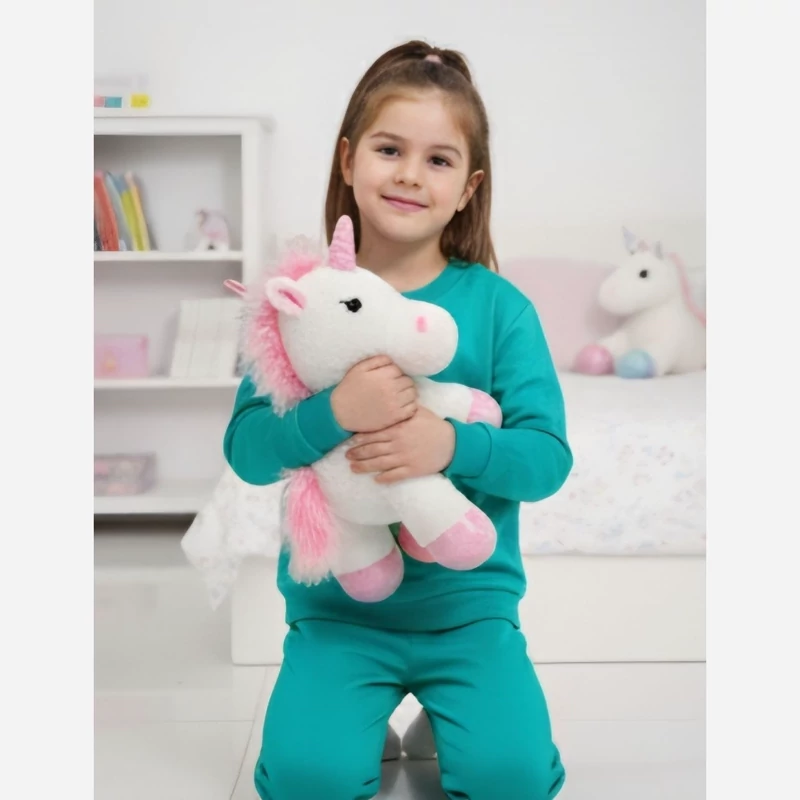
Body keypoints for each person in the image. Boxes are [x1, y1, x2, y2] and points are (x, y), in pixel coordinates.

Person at [224, 39, 573, 800]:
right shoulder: (299, 304)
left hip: (470, 615)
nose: (411, 173)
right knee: (308, 782)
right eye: (390, 150)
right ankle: (360, 719)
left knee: (514, 780)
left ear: (468, 188)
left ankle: (446, 719)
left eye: (438, 160)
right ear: (349, 160)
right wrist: (333, 413)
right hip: (338, 615)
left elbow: (546, 459)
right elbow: (248, 450)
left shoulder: (500, 309)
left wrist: (449, 444)